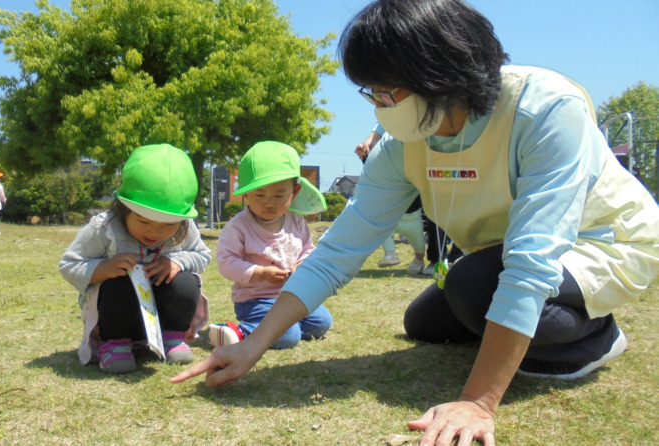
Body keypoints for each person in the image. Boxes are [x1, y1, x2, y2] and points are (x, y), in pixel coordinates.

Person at [172, 1, 659, 445]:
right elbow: (340, 249)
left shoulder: (544, 110)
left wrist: (477, 402)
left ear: (441, 75)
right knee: (424, 321)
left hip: (603, 244)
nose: (379, 104)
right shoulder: (402, 144)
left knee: (473, 287)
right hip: (497, 257)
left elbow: (532, 260)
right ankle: (510, 330)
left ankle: (597, 336)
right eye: (373, 92)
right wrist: (255, 344)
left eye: (389, 90)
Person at [59, 144, 211, 373]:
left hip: (160, 318)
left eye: (168, 224)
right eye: (144, 221)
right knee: (118, 283)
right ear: (123, 209)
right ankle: (115, 345)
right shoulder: (105, 228)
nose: (155, 232)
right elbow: (69, 264)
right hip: (114, 319)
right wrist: (104, 268)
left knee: (186, 280)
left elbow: (202, 255)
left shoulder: (185, 227)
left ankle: (172, 337)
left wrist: (176, 262)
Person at [209, 141, 332, 348]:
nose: (269, 203)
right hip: (256, 299)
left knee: (321, 323)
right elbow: (226, 263)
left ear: (294, 192)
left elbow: (307, 250)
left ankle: (278, 327)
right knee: (289, 337)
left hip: (293, 295)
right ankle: (236, 331)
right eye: (259, 195)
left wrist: (300, 266)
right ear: (246, 193)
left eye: (279, 195)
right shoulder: (238, 227)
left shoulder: (296, 221)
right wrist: (260, 272)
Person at [357, 125, 435, 275]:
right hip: (394, 217)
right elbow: (376, 169)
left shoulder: (416, 171)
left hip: (412, 219)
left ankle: (419, 260)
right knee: (383, 231)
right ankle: (391, 254)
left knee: (419, 245)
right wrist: (366, 156)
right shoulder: (391, 169)